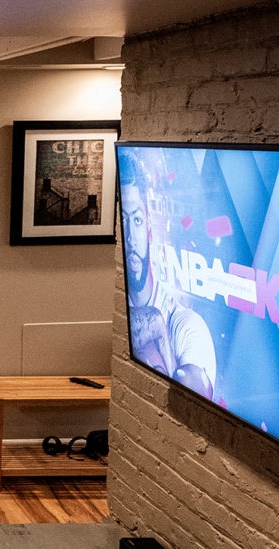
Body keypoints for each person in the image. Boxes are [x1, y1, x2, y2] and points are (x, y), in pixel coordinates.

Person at [120, 156, 217, 399]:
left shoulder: (185, 324)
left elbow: (194, 396)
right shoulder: (121, 303)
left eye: (137, 220)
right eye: (123, 219)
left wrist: (160, 332)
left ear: (150, 229)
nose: (131, 236)